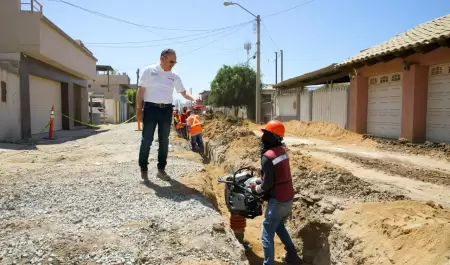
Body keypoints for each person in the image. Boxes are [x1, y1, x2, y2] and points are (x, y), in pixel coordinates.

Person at [136, 48, 199, 182]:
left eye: (175, 62)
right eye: (171, 61)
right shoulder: (149, 71)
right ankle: (143, 169)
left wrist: (194, 99)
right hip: (150, 109)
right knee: (146, 140)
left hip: (166, 111)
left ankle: (161, 170)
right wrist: (139, 110)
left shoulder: (174, 76)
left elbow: (183, 93)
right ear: (162, 59)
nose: (173, 64)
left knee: (164, 142)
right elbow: (140, 91)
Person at [248, 120, 302, 265]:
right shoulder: (281, 152)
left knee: (266, 233)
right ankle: (292, 255)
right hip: (287, 197)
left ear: (272, 136)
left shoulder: (267, 156)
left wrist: (256, 189)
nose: (262, 137)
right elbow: (278, 172)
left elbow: (268, 183)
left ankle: (268, 263)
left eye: (265, 133)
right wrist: (259, 169)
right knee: (278, 226)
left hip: (277, 200)